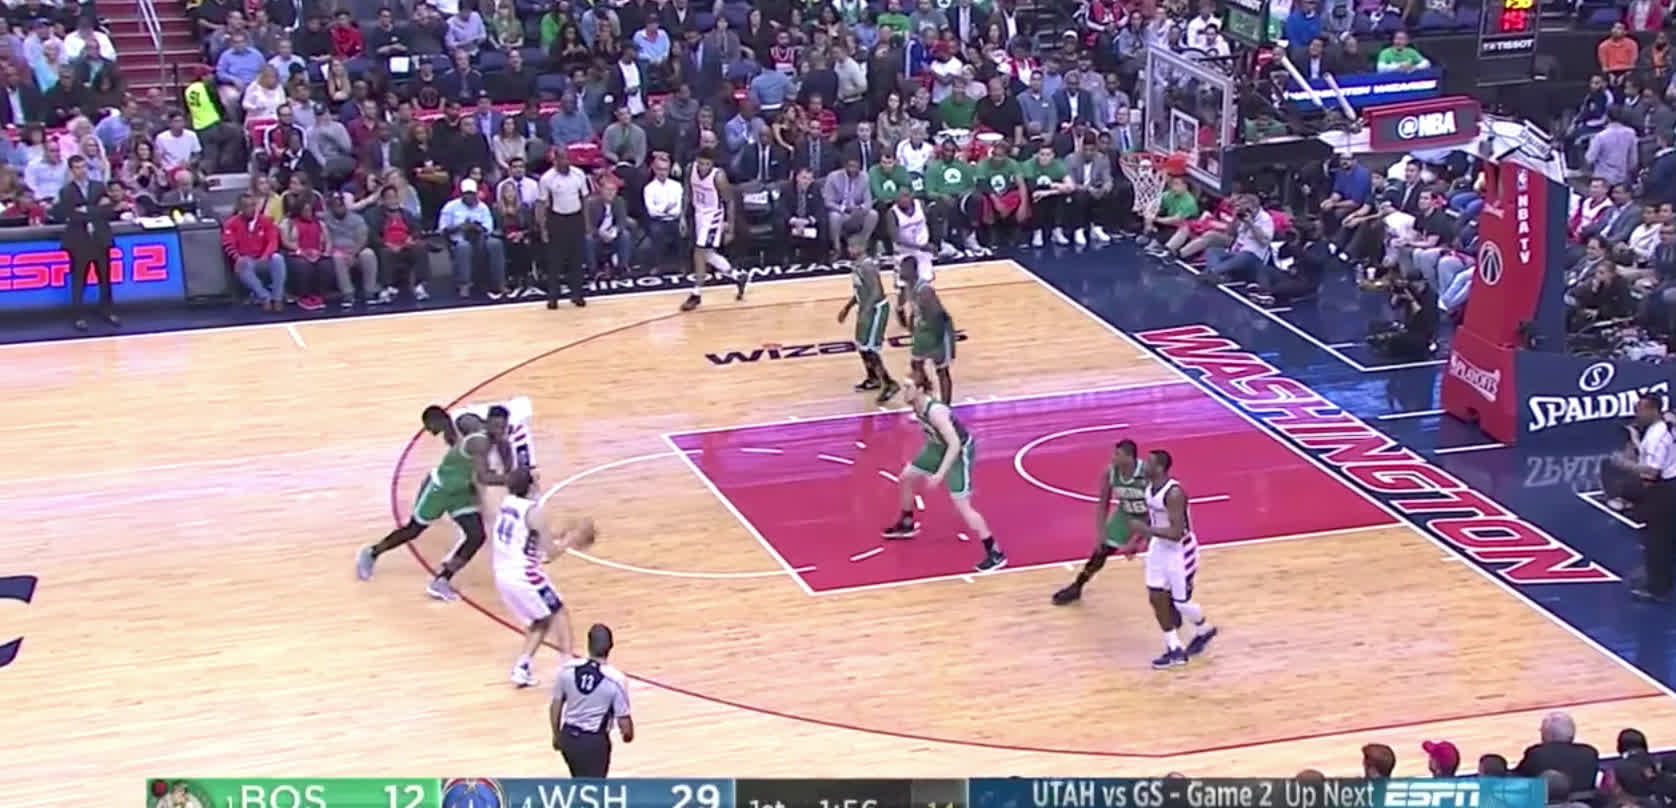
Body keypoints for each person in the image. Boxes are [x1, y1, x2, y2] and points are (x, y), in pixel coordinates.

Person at [356, 408, 508, 601]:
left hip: (461, 491)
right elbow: (483, 475)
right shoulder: (475, 439)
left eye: (503, 426)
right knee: (413, 530)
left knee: (476, 536)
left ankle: (442, 580)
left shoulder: (475, 431)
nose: (431, 432)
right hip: (439, 489)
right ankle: (371, 552)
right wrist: (513, 479)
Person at [880, 379, 1006, 573]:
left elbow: (954, 444)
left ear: (920, 389)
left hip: (958, 451)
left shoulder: (935, 411)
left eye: (908, 387)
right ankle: (906, 523)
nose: (904, 391)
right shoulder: (917, 404)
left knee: (962, 505)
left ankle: (995, 552)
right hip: (936, 446)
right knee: (906, 478)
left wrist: (939, 474)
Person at [492, 468, 592, 687]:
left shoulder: (507, 503)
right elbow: (551, 554)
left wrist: (560, 533)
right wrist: (571, 539)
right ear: (530, 486)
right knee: (558, 611)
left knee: (541, 620)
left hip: (502, 573)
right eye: (535, 481)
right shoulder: (533, 512)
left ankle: (522, 667)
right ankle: (567, 666)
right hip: (523, 575)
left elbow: (529, 536)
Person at [1130, 448, 1218, 669]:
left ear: (1160, 468)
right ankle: (1175, 649)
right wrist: (1137, 540)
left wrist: (1146, 531)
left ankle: (1204, 629)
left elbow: (1177, 532)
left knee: (1181, 603)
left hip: (1180, 550)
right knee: (1155, 595)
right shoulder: (1150, 488)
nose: (1144, 465)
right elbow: (1151, 517)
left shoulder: (1174, 493)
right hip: (1159, 547)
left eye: (1149, 462)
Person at [1053, 439, 1148, 605]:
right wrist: (1100, 534)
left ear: (1129, 457)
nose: (1113, 457)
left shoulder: (1147, 474)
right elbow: (1103, 504)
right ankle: (1077, 586)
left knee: (1163, 553)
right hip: (1126, 514)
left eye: (1117, 454)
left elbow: (1156, 509)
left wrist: (1136, 541)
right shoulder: (1110, 472)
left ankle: (1174, 592)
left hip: (1151, 516)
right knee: (1101, 551)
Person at [552, 623, 633, 777]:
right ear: (611, 646)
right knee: (594, 786)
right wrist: (627, 735)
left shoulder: (567, 670)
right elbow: (625, 724)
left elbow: (555, 706)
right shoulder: (615, 679)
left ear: (588, 644)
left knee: (578, 779)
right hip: (594, 742)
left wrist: (556, 735)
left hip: (569, 737)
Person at [1616, 394, 1676, 601]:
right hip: (1668, 486)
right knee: (1665, 537)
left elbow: (1652, 472)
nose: (1636, 414)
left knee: (1658, 540)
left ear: (1652, 410)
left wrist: (1625, 465)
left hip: (1665, 490)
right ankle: (1660, 578)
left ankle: (1658, 589)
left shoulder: (1659, 435)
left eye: (1640, 409)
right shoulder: (1661, 428)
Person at [678, 147, 748, 312]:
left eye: (707, 164)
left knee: (699, 252)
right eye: (701, 163)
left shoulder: (719, 176)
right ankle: (738, 276)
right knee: (708, 254)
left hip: (713, 216)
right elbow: (687, 193)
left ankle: (696, 294)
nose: (703, 167)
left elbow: (729, 201)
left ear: (712, 164)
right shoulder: (690, 169)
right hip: (698, 213)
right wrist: (682, 216)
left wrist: (730, 227)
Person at [55, 153, 115, 331]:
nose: (81, 171)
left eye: (83, 167)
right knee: (79, 279)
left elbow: (108, 210)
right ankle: (78, 316)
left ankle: (107, 310)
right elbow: (70, 215)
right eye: (77, 168)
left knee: (105, 277)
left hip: (100, 238)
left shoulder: (99, 187)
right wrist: (94, 210)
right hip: (79, 241)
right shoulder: (66, 191)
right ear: (71, 170)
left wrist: (86, 210)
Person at [836, 242, 900, 402]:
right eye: (849, 246)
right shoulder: (856, 265)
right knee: (861, 346)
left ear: (862, 247)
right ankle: (873, 378)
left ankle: (889, 383)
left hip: (876, 310)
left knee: (870, 349)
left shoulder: (867, 266)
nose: (850, 249)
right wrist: (847, 308)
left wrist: (865, 311)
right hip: (866, 308)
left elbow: (876, 291)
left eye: (853, 246)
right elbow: (860, 290)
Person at [537, 148, 591, 308]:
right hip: (557, 219)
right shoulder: (547, 178)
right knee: (555, 260)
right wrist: (543, 228)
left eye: (567, 159)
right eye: (561, 159)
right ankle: (553, 296)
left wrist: (587, 223)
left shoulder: (579, 174)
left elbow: (585, 199)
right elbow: (541, 204)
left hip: (576, 218)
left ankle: (577, 294)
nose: (565, 162)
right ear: (555, 161)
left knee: (577, 258)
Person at [440, 178, 508, 299]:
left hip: (481, 238)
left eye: (472, 194)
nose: (470, 197)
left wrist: (476, 227)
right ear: (462, 194)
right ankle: (464, 284)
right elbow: (443, 229)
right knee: (464, 247)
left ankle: (499, 283)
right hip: (459, 239)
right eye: (467, 194)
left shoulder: (482, 207)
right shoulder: (451, 207)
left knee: (495, 244)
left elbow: (488, 227)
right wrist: (460, 227)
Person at [906, 270, 956, 410]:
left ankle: (946, 407)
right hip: (924, 331)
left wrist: (937, 338)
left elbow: (938, 314)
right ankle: (926, 392)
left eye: (904, 268)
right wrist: (912, 323)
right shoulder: (910, 287)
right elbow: (915, 309)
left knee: (942, 370)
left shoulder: (925, 290)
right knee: (916, 363)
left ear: (912, 271)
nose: (900, 271)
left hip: (938, 331)